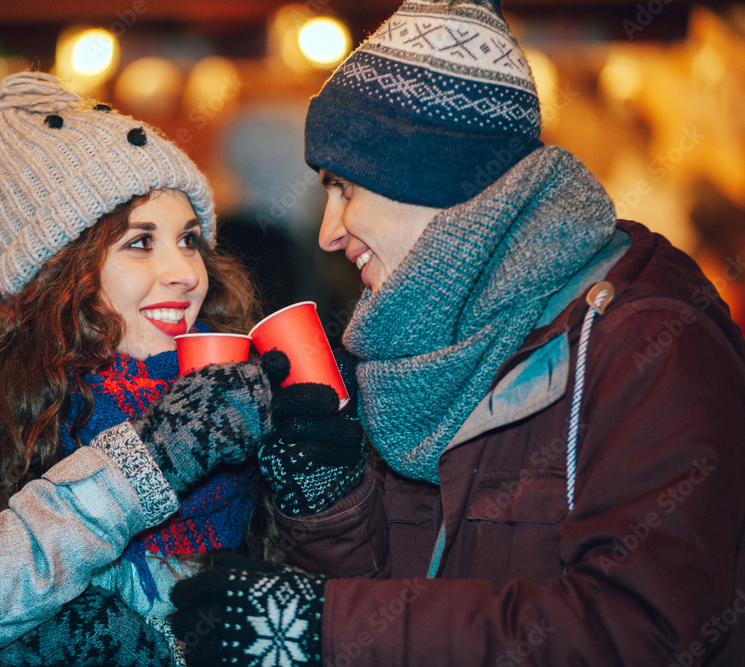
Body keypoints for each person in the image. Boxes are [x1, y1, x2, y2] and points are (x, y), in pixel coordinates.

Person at [170, 1, 745, 665]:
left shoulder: (651, 342)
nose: (328, 231)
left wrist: (314, 622)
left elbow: (640, 631)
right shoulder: (417, 350)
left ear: (431, 178)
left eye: (343, 187)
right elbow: (391, 611)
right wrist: (328, 503)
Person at [0, 71, 287, 667]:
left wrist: (322, 493)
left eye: (188, 240)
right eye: (139, 242)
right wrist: (142, 464)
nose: (186, 272)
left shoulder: (229, 389)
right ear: (57, 271)